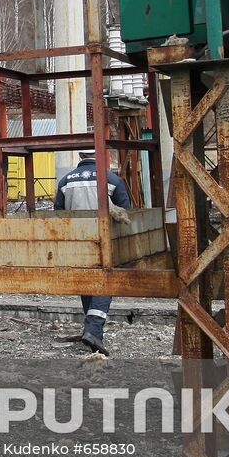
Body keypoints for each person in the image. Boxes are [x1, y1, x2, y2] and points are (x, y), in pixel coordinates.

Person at [53, 149, 132, 355]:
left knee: (86, 282)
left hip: (77, 241)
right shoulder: (112, 179)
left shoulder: (65, 181)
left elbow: (58, 214)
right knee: (105, 282)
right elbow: (125, 211)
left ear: (80, 157)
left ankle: (93, 332)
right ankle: (94, 329)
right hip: (103, 240)